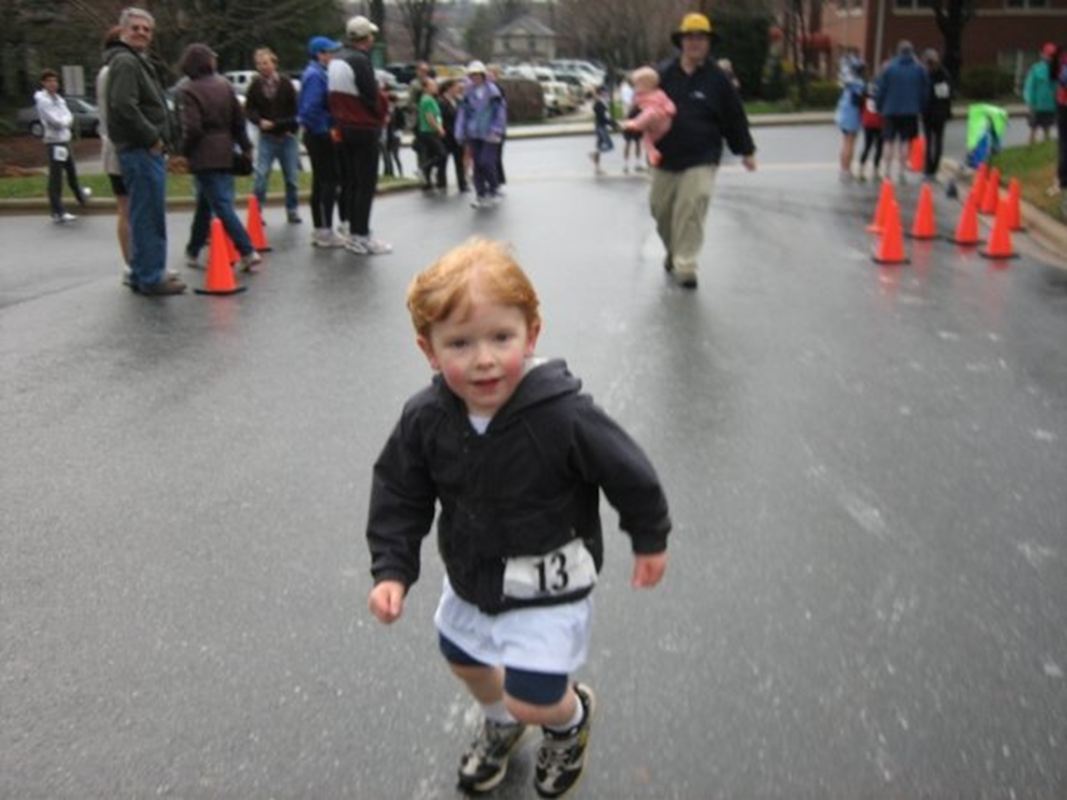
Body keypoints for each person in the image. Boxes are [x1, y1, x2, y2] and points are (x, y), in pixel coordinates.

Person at [365, 237, 671, 799]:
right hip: (473, 576)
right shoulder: (426, 419)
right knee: (464, 657)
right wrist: (392, 569)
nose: (483, 358)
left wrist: (649, 536)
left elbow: (628, 472)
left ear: (531, 335)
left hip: (548, 581)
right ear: (429, 350)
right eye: (460, 343)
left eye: (500, 338)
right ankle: (502, 722)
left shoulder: (562, 415)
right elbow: (400, 493)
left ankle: (568, 721)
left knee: (534, 696)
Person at [651, 12, 756, 290]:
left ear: (708, 43)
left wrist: (746, 150)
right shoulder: (664, 73)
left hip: (702, 156)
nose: (695, 42)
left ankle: (686, 264)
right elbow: (643, 103)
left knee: (692, 205)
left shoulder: (718, 79)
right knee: (660, 210)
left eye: (701, 38)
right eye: (690, 37)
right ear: (682, 41)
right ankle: (674, 250)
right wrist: (634, 125)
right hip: (665, 156)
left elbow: (735, 116)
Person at [104, 6, 186, 296]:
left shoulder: (135, 61)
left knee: (141, 214)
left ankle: (142, 271)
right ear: (123, 30)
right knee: (149, 215)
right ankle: (152, 277)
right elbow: (123, 105)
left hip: (141, 150)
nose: (141, 33)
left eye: (147, 29)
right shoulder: (126, 62)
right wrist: (152, 137)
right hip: (141, 150)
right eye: (135, 28)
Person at [177, 43, 261, 274]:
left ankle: (247, 250)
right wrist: (245, 146)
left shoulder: (188, 90)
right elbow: (238, 120)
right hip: (225, 149)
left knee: (221, 205)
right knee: (205, 203)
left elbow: (193, 128)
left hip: (204, 154)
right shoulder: (224, 85)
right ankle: (193, 249)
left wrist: (184, 152)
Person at [328, 15, 392, 255]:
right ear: (367, 38)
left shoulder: (336, 59)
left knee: (353, 182)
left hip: (343, 126)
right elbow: (371, 96)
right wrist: (382, 110)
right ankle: (361, 235)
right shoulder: (360, 60)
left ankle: (354, 231)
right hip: (363, 128)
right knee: (365, 184)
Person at [245, 47, 302, 224]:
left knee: (291, 177)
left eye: (266, 63)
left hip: (287, 136)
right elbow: (249, 109)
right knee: (261, 176)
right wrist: (258, 121)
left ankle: (292, 209)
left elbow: (296, 113)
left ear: (274, 64)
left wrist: (278, 124)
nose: (263, 67)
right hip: (267, 138)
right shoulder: (255, 86)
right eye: (259, 64)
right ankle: (257, 211)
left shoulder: (286, 84)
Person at [299, 36, 346, 248]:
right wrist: (325, 131)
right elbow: (310, 109)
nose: (333, 56)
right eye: (330, 52)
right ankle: (324, 230)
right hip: (320, 135)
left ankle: (321, 229)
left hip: (318, 133)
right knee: (328, 181)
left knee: (321, 181)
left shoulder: (316, 73)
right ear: (320, 54)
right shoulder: (315, 76)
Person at [96, 27, 133, 282]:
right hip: (121, 149)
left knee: (127, 209)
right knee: (127, 209)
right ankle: (131, 264)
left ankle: (135, 263)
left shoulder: (105, 71)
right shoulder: (115, 71)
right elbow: (124, 108)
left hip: (113, 146)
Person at [34, 69, 92, 224]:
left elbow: (68, 116)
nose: (53, 84)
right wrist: (64, 121)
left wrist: (64, 121)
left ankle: (81, 196)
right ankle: (58, 211)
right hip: (54, 142)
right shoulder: (43, 101)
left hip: (64, 140)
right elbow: (55, 121)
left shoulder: (59, 99)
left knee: (71, 172)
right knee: (56, 178)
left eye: (55, 81)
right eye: (49, 81)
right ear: (43, 83)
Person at [455, 61, 507, 209]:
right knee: (477, 164)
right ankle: (480, 194)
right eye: (472, 75)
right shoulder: (468, 93)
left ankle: (494, 188)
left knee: (486, 161)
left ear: (483, 75)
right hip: (474, 133)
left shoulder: (493, 92)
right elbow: (463, 113)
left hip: (490, 133)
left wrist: (497, 129)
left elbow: (500, 113)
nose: (475, 78)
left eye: (478, 75)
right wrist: (460, 131)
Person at [876, 40, 928, 185]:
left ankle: (886, 171)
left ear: (898, 52)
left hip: (890, 109)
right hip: (910, 111)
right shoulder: (919, 69)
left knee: (888, 141)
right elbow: (924, 91)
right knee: (905, 141)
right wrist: (921, 107)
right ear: (912, 52)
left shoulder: (889, 68)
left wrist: (880, 106)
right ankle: (901, 171)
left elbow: (881, 89)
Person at [621, 66, 677, 169]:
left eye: (637, 84)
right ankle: (653, 154)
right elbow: (634, 105)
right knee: (647, 140)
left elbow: (667, 103)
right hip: (652, 125)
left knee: (650, 112)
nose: (635, 88)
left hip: (660, 118)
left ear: (647, 84)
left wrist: (670, 110)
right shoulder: (638, 96)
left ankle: (636, 124)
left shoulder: (658, 93)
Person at [921, 48, 952, 181]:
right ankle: (934, 167)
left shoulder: (928, 76)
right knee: (938, 141)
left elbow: (926, 95)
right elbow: (945, 96)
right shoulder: (944, 75)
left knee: (929, 141)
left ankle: (928, 168)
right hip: (940, 112)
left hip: (929, 112)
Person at [833, 61, 865, 181]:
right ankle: (846, 170)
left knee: (845, 142)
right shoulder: (858, 83)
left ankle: (843, 169)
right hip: (852, 116)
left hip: (843, 115)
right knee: (850, 143)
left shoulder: (847, 82)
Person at [1024, 43, 1059, 146]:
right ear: (1042, 54)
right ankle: (1030, 148)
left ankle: (1044, 147)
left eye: (1053, 55)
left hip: (1051, 106)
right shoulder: (1036, 69)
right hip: (1037, 106)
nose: (1050, 58)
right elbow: (1029, 87)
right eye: (1048, 55)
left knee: (1047, 129)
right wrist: (1030, 102)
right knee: (1033, 129)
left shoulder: (1058, 69)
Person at [416, 77, 448, 191]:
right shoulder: (427, 100)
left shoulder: (428, 99)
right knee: (442, 154)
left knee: (432, 154)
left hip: (427, 132)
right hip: (429, 132)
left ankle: (428, 175)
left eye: (435, 85)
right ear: (425, 88)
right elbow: (430, 118)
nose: (436, 87)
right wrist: (439, 129)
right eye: (432, 86)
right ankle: (423, 168)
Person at [439, 79, 468, 192]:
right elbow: (441, 119)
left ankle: (462, 184)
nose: (458, 89)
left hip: (458, 136)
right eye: (456, 87)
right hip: (446, 136)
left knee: (459, 161)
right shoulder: (441, 102)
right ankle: (442, 183)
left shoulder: (457, 101)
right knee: (443, 160)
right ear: (449, 88)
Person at [857, 79, 884, 183]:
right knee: (879, 148)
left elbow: (860, 108)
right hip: (880, 123)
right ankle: (876, 171)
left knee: (867, 146)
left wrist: (862, 118)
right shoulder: (881, 94)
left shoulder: (865, 96)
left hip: (868, 123)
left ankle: (861, 170)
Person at [588, 86, 616, 175]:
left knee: (599, 147)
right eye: (605, 92)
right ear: (601, 93)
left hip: (600, 126)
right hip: (601, 127)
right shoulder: (599, 103)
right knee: (609, 145)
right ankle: (593, 154)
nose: (607, 94)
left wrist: (612, 123)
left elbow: (606, 116)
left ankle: (597, 169)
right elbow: (604, 117)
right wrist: (613, 124)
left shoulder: (602, 102)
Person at [619, 76, 642, 173]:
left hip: (632, 118)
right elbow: (630, 104)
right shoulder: (628, 90)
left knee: (633, 142)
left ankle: (628, 165)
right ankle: (634, 164)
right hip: (632, 118)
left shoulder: (627, 90)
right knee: (634, 142)